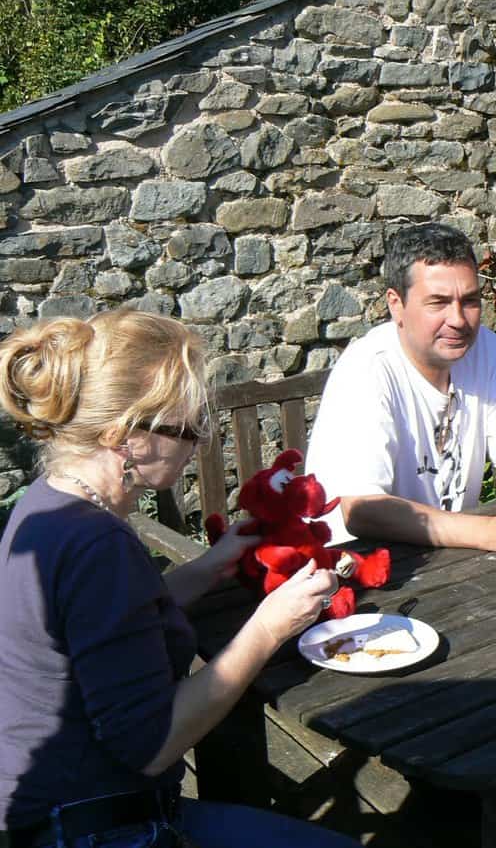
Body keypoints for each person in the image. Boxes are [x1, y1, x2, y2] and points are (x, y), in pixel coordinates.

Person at [0, 309, 359, 848]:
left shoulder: (47, 505)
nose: (199, 443)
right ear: (124, 438)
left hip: (52, 811)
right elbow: (154, 745)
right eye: (188, 428)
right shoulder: (98, 544)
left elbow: (111, 628)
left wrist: (209, 567)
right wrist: (270, 627)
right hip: (99, 826)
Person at [306, 222, 496, 556]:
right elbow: (359, 509)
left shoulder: (486, 349)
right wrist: (491, 532)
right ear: (396, 305)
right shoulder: (368, 369)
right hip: (355, 569)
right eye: (438, 303)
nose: (458, 319)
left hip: (445, 559)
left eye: (469, 301)